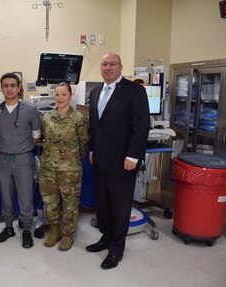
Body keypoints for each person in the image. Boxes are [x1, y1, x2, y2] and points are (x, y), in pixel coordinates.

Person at [86, 53, 150, 269]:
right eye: (104, 64)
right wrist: (92, 149)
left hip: (124, 162)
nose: (107, 67)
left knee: (120, 207)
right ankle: (105, 237)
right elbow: (95, 126)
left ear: (121, 67)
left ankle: (116, 249)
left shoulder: (134, 91)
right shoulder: (95, 92)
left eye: (112, 64)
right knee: (103, 204)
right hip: (101, 160)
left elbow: (141, 127)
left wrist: (133, 155)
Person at [0, 72, 41, 248]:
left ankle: (27, 230)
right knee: (5, 197)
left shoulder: (30, 110)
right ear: (1, 88)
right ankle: (8, 227)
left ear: (19, 88)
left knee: (25, 197)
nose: (9, 89)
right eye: (5, 85)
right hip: (2, 160)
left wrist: (24, 148)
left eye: (13, 85)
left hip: (23, 160)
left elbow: (36, 134)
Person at [39, 82, 89, 251]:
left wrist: (72, 160)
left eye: (64, 94)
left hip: (70, 170)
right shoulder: (46, 117)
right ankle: (55, 231)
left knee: (70, 203)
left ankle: (67, 234)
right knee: (50, 201)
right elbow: (44, 139)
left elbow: (83, 144)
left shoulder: (79, 119)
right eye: (57, 94)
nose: (60, 98)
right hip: (48, 168)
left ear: (70, 96)